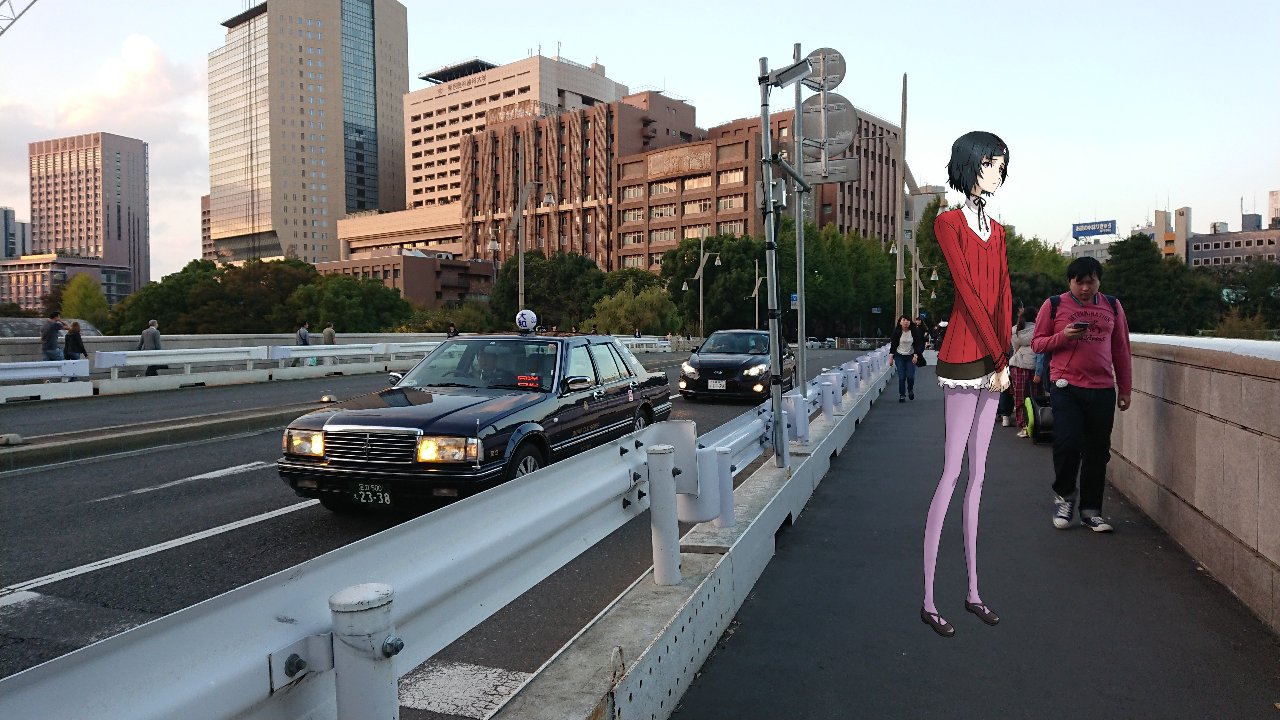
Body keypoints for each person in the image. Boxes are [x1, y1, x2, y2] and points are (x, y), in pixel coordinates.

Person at [921, 131, 1011, 638]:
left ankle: (973, 591)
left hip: (993, 359)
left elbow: (1002, 295)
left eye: (1001, 164)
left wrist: (1004, 355)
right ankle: (929, 599)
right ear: (971, 164)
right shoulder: (947, 223)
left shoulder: (997, 231)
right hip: (963, 355)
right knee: (952, 472)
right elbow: (969, 292)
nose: (998, 172)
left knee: (979, 476)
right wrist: (1000, 355)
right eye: (992, 163)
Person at [1031, 256, 1132, 533]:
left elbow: (1121, 349)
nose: (1086, 288)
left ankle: (1091, 511)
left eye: (1091, 282)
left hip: (1102, 388)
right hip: (1066, 386)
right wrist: (1063, 336)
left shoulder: (1112, 306)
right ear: (1070, 282)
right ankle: (1064, 496)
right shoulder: (1054, 305)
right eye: (1080, 282)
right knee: (1067, 443)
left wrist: (1125, 388)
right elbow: (1037, 344)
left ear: (1099, 281)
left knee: (1097, 451)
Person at [1009, 306, 1038, 437]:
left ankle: (1023, 426)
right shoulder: (1039, 329)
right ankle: (1036, 422)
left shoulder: (1015, 330)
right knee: (1035, 397)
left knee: (1019, 397)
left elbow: (1015, 348)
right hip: (1035, 367)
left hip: (1019, 365)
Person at [889, 314, 926, 402]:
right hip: (899, 356)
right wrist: (891, 357)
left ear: (910, 322)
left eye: (907, 320)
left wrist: (915, 356)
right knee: (902, 376)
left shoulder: (914, 331)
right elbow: (893, 345)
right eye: (904, 320)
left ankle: (910, 389)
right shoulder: (897, 332)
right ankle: (902, 395)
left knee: (910, 376)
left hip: (911, 355)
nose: (906, 322)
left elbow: (917, 344)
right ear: (900, 322)